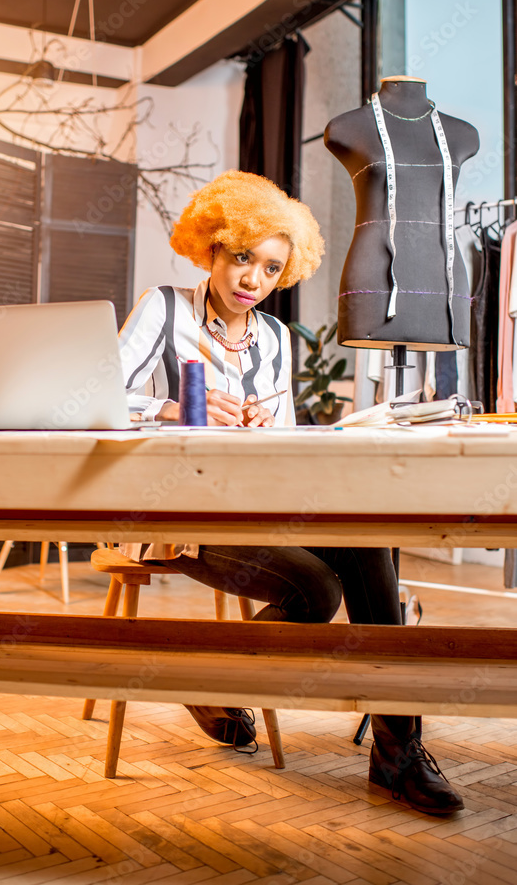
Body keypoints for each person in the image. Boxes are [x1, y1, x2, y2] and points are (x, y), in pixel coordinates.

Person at [118, 169, 463, 816]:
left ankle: (397, 751)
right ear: (213, 247)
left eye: (270, 269)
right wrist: (175, 409)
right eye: (241, 257)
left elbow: (280, 447)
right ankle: (215, 684)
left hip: (259, 506)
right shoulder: (162, 307)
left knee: (366, 543)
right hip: (181, 513)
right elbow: (88, 396)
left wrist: (262, 429)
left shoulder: (275, 340)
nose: (252, 279)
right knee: (316, 592)